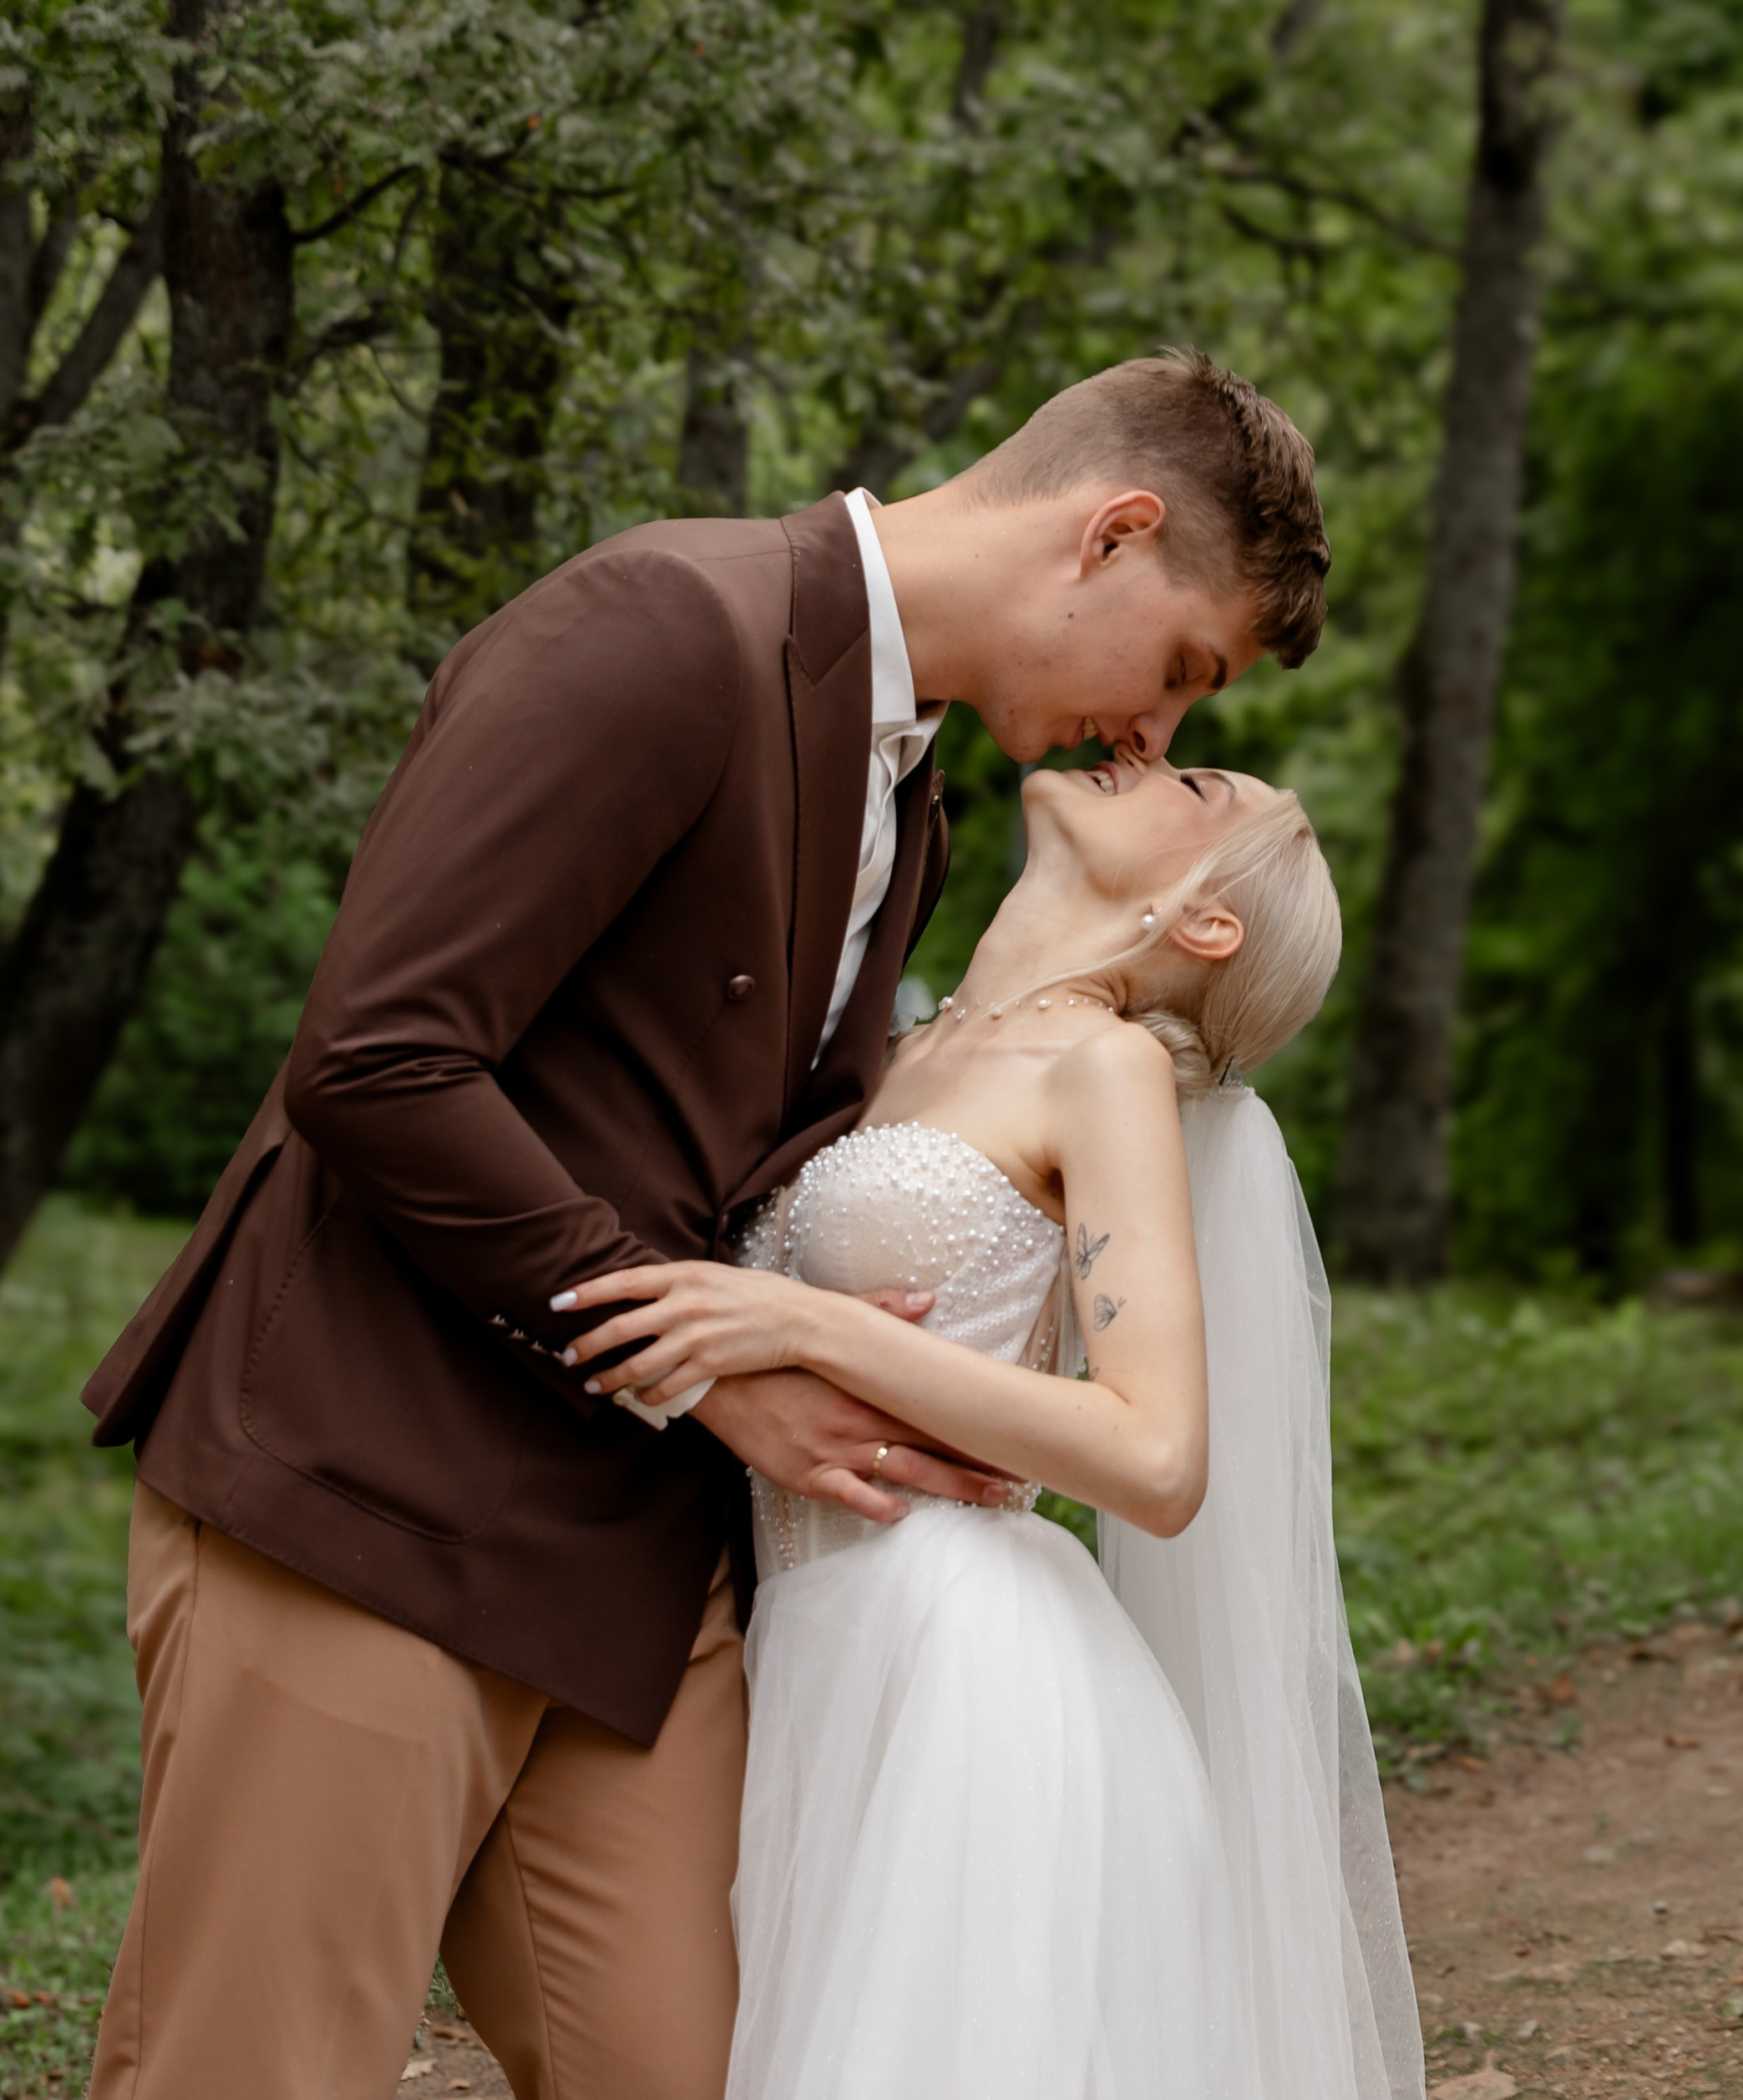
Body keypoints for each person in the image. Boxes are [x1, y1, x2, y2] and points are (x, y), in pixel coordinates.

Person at [80, 350, 1331, 2100]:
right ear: (1109, 533)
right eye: (1179, 666)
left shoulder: (911, 803)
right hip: (371, 1485)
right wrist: (707, 1373)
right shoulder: (663, 624)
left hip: (630, 1567)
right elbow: (375, 1056)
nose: (1155, 731)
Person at [559, 748, 1425, 2100]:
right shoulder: (888, 1050)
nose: (1140, 747)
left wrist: (809, 1327)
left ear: (1204, 921)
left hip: (965, 1663)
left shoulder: (1103, 1068)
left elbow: (1156, 1454)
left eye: (1192, 782)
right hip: (791, 1642)